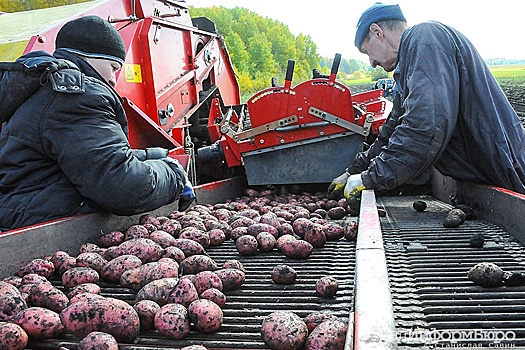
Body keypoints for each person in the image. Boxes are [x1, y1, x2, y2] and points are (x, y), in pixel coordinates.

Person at [0, 15, 194, 231]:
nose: (113, 79)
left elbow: (87, 159)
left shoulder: (43, 89)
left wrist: (154, 156)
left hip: (24, 212)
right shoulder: (76, 96)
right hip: (42, 228)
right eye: (112, 67)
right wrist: (174, 174)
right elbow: (122, 189)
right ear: (87, 57)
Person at [328, 2, 525, 200]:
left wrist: (370, 178)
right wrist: (353, 171)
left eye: (367, 51)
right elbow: (392, 130)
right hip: (488, 173)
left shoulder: (425, 40)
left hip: (507, 170)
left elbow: (425, 128)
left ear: (377, 32)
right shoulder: (407, 67)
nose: (371, 63)